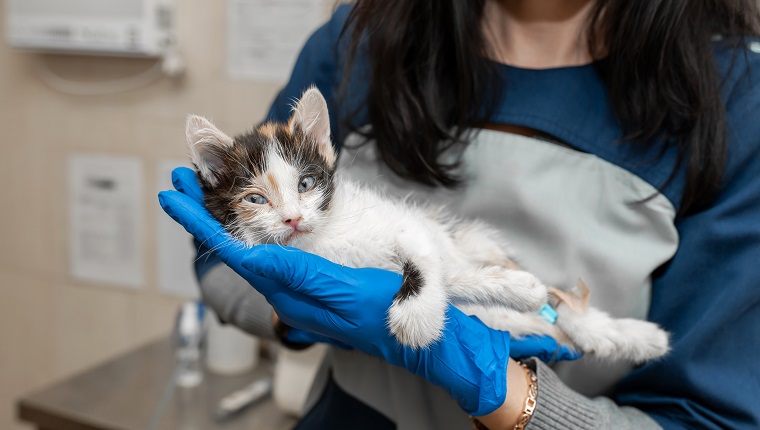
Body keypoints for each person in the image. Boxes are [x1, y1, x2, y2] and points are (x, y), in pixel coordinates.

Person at [160, 1, 760, 428]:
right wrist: (297, 313)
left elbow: (712, 415)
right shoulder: (358, 39)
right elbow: (219, 250)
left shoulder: (735, 97)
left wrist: (510, 395)